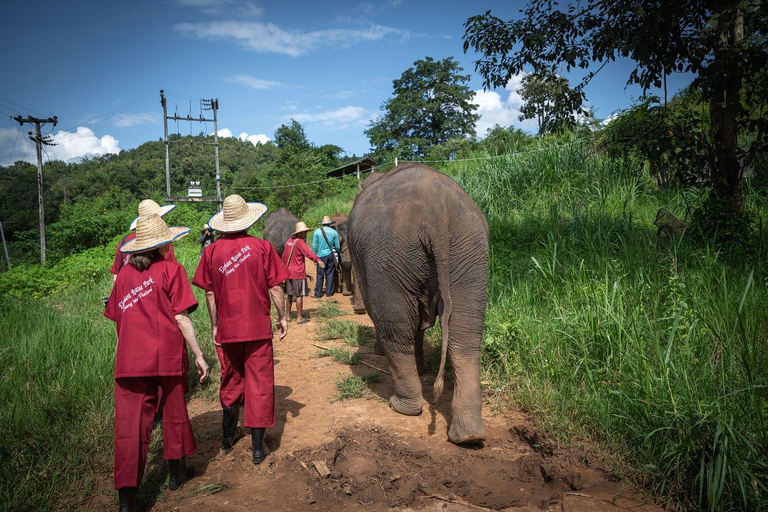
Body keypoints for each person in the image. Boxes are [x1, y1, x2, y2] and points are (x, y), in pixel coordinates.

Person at [104, 213, 209, 512]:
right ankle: (176, 474)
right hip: (167, 355)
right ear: (163, 244)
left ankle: (127, 500)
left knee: (129, 426)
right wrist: (199, 355)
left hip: (130, 359)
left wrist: (126, 350)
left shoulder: (123, 276)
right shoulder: (171, 270)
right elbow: (181, 317)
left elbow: (118, 320)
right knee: (174, 413)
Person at [192, 194, 290, 464]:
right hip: (258, 327)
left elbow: (210, 294)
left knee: (231, 378)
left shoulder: (210, 251)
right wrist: (282, 316)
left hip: (228, 328)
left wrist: (214, 325)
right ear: (248, 220)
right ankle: (258, 449)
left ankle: (226, 437)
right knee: (259, 383)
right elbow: (275, 287)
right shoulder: (262, 247)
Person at [111, 199, 177, 283]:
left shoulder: (124, 242)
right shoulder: (162, 243)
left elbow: (116, 277)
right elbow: (172, 274)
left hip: (129, 293)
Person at [283, 221, 325, 324]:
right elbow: (308, 252)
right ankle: (299, 318)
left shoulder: (289, 241)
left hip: (288, 272)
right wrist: (317, 260)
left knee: (289, 295)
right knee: (299, 295)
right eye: (304, 232)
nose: (305, 234)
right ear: (300, 233)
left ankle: (288, 316)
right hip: (298, 273)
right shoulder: (300, 242)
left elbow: (284, 256)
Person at [312, 215, 340, 298]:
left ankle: (318, 294)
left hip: (320, 256)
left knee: (320, 275)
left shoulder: (317, 232)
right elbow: (337, 246)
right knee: (330, 273)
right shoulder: (334, 232)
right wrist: (337, 254)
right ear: (330, 223)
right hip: (331, 255)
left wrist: (314, 257)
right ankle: (329, 292)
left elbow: (314, 246)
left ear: (322, 224)